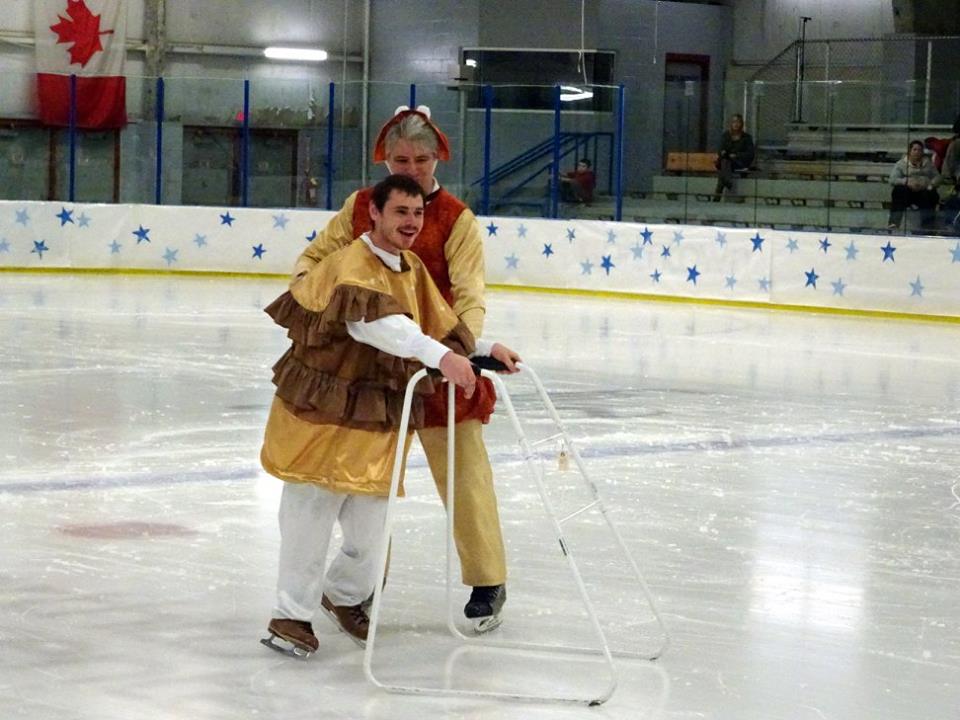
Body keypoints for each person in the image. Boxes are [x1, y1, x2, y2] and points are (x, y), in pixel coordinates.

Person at [260, 174, 521, 658]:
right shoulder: (352, 264)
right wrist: (442, 360)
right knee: (309, 518)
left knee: (371, 528)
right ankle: (290, 615)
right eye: (400, 212)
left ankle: (342, 596)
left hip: (373, 415)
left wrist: (482, 350)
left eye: (418, 213)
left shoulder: (411, 267)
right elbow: (380, 327)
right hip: (321, 415)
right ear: (374, 214)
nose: (411, 222)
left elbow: (437, 323)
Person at [887, 139, 941, 230]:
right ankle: (894, 223)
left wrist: (930, 184)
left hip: (924, 192)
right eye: (914, 149)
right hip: (908, 192)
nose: (917, 152)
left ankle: (928, 227)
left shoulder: (928, 164)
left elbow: (938, 177)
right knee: (898, 191)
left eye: (919, 150)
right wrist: (906, 182)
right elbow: (892, 179)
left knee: (930, 194)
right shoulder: (901, 164)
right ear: (910, 151)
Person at [714, 113, 755, 199]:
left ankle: (719, 192)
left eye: (738, 122)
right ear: (731, 123)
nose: (736, 124)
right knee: (725, 162)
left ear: (741, 124)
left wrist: (736, 155)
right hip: (727, 160)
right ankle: (727, 182)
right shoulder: (726, 136)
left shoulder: (747, 138)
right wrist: (723, 152)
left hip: (739, 162)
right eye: (734, 122)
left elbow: (750, 153)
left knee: (724, 168)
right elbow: (720, 149)